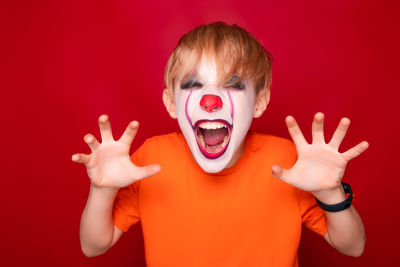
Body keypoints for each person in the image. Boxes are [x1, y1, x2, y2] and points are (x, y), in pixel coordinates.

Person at [72, 21, 369, 266]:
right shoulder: (152, 158)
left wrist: (331, 193)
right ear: (171, 103)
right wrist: (102, 190)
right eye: (193, 84)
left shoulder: (288, 161)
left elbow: (353, 247)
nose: (210, 101)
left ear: (259, 101)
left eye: (233, 84)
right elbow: (93, 246)